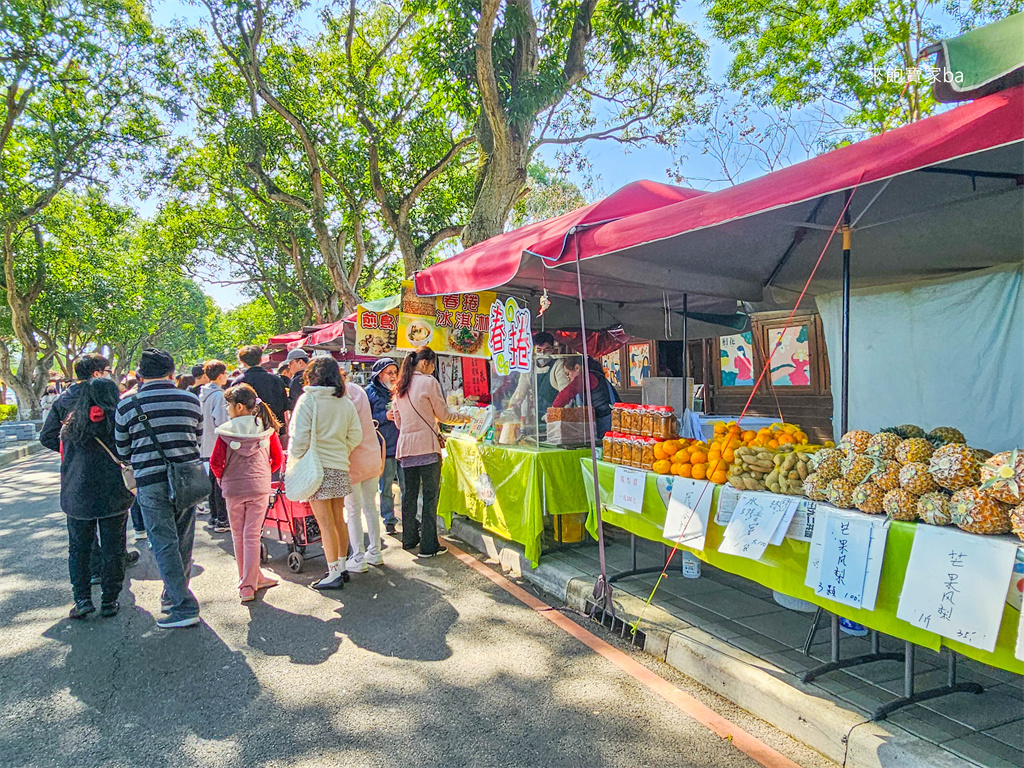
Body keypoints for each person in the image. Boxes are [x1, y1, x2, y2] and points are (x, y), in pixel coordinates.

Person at [115, 349, 203, 629]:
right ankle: (173, 594)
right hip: (187, 478)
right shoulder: (191, 399)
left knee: (163, 543)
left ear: (140, 375)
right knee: (183, 541)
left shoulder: (127, 405)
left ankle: (182, 605)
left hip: (150, 483)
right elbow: (196, 438)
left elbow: (122, 449)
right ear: (172, 373)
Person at [41, 354, 145, 561]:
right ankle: (115, 562)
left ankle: (95, 566)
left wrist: (71, 450)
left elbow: (46, 436)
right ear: (97, 373)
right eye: (108, 371)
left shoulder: (64, 399)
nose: (110, 375)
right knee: (113, 521)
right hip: (110, 468)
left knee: (83, 525)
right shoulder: (106, 396)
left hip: (76, 471)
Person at [59, 378, 135, 619]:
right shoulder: (118, 422)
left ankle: (81, 599)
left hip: (77, 495)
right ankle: (110, 600)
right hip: (113, 494)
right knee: (114, 548)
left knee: (79, 549)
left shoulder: (72, 424)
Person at [288, 358, 362, 589]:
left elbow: (299, 440)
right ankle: (341, 566)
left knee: (325, 523)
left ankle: (333, 573)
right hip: (339, 465)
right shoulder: (345, 402)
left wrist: (298, 456)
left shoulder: (308, 400)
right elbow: (356, 435)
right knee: (338, 519)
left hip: (316, 467)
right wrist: (342, 449)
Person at [210, 384, 284, 603]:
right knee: (252, 535)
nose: (227, 408)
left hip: (233, 489)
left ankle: (247, 581)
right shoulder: (266, 430)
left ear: (239, 407)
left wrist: (223, 479)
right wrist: (261, 474)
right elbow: (277, 460)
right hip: (260, 487)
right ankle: (252, 580)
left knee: (238, 535)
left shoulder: (225, 432)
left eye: (228, 405)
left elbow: (216, 463)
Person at [393, 348, 466, 559]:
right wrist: (464, 418)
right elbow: (443, 415)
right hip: (427, 447)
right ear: (424, 363)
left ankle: (409, 540)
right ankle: (428, 545)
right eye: (433, 364)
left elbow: (399, 422)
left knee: (409, 496)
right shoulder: (429, 382)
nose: (433, 369)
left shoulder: (399, 386)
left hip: (405, 448)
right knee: (430, 497)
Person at [344, 376, 385, 573]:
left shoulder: (339, 395)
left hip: (352, 459)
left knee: (353, 510)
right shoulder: (358, 390)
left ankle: (358, 557)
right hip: (371, 454)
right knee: (370, 506)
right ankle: (375, 552)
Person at [366, 358, 403, 534]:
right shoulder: (369, 393)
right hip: (383, 447)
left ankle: (411, 519)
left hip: (403, 445)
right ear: (380, 375)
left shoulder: (400, 390)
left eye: (395, 372)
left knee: (407, 486)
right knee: (386, 486)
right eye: (390, 373)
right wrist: (383, 416)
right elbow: (364, 418)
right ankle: (389, 519)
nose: (394, 376)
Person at [199, 360, 231, 533]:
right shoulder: (219, 396)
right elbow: (222, 422)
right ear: (220, 375)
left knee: (212, 485)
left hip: (205, 446)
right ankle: (222, 519)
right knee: (220, 484)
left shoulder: (202, 394)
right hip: (217, 446)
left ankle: (214, 517)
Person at [551, 356, 620, 437]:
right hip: (606, 416)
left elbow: (566, 394)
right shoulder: (596, 374)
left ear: (577, 368)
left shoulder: (587, 378)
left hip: (604, 419)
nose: (568, 378)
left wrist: (552, 411)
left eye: (568, 374)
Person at [509, 332, 569, 416]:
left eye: (547, 349)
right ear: (533, 351)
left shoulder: (558, 365)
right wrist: (511, 406)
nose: (543, 353)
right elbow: (521, 390)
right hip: (536, 416)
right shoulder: (529, 367)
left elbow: (566, 394)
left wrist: (554, 414)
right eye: (539, 350)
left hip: (556, 415)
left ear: (552, 350)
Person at [236, 345, 290, 431]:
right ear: (261, 360)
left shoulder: (238, 382)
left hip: (248, 431)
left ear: (243, 363)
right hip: (274, 429)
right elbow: (285, 406)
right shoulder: (276, 380)